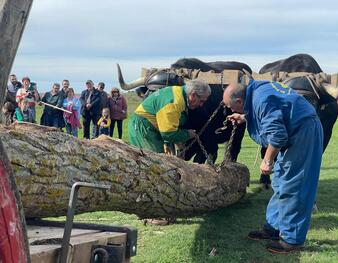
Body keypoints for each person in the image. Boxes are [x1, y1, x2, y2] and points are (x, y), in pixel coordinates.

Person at [223, 80, 323, 254]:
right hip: (296, 130)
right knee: (280, 183)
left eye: (232, 107)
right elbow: (276, 112)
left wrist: (267, 160)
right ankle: (273, 228)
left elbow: (277, 136)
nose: (232, 110)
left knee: (294, 186)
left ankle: (292, 240)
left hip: (303, 133)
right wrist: (244, 117)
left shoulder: (261, 99)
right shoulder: (259, 90)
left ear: (240, 101)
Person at [128, 79, 211, 153]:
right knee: (154, 162)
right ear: (193, 95)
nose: (201, 105)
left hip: (148, 128)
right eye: (201, 101)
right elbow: (168, 134)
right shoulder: (174, 103)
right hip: (143, 129)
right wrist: (188, 134)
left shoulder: (178, 92)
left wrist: (167, 142)